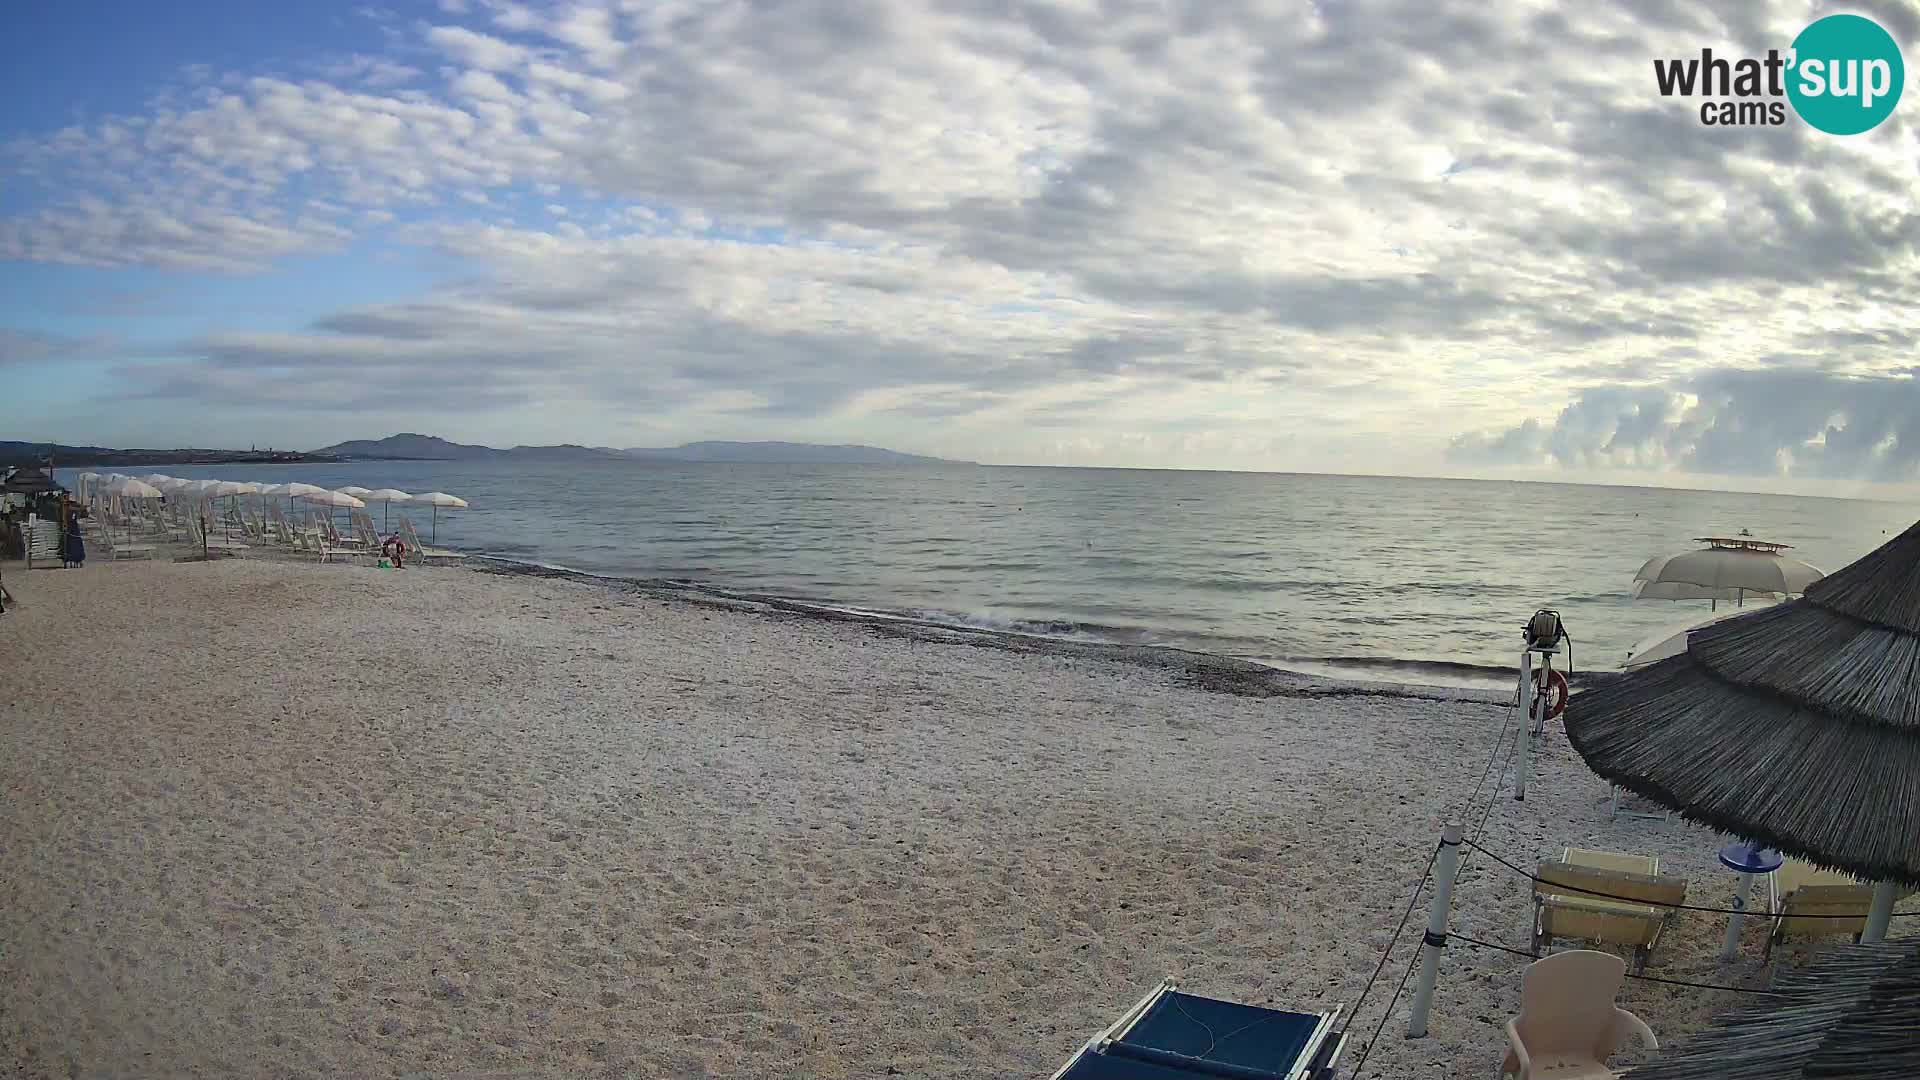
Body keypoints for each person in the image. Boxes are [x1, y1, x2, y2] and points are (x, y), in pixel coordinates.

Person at [62, 504, 86, 569]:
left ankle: (77, 561)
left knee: (74, 545)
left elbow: (81, 513)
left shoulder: (69, 510)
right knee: (72, 545)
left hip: (73, 531)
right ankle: (76, 560)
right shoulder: (67, 510)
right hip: (72, 531)